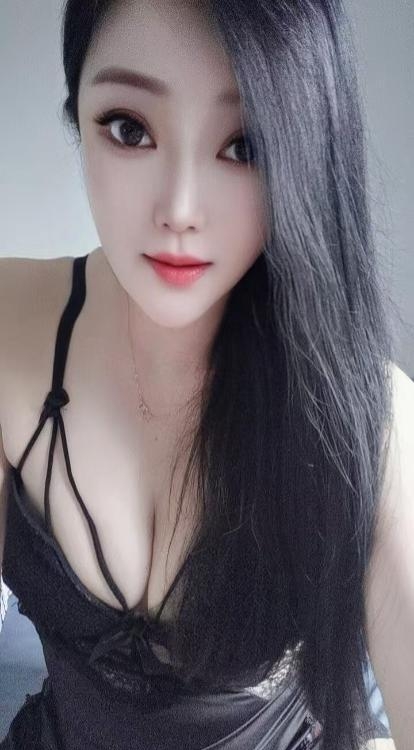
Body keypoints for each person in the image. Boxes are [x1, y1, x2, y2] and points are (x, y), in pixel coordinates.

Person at [0, 0, 409, 747]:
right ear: (76, 113)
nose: (180, 209)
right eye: (130, 129)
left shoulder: (369, 419)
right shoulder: (10, 326)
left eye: (245, 144)